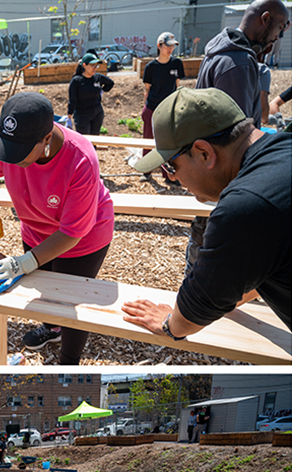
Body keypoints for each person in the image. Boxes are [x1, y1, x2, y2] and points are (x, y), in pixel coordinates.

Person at [123, 88, 290, 336]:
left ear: (204, 153)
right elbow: (268, 258)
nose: (173, 178)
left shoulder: (244, 208)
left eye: (171, 165)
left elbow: (191, 317)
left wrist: (170, 323)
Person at [0, 92, 114, 363]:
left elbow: (73, 231)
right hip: (35, 230)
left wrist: (25, 262)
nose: (11, 161)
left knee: (70, 302)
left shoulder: (81, 159)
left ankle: (68, 362)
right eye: (7, 152)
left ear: (46, 139)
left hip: (83, 238)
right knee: (44, 290)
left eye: (19, 155)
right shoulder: (10, 135)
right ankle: (51, 329)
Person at [186, 0, 289, 277]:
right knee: (215, 254)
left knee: (204, 240)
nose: (279, 37)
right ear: (265, 19)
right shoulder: (238, 63)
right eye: (279, 28)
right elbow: (238, 135)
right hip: (225, 174)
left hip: (210, 167)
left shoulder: (222, 52)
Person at [139, 33, 185, 158]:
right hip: (153, 107)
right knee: (148, 139)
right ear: (159, 46)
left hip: (169, 108)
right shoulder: (151, 67)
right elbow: (147, 90)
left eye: (173, 46)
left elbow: (176, 86)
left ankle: (169, 174)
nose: (170, 49)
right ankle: (147, 172)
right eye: (167, 46)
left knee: (169, 141)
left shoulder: (177, 63)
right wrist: (145, 109)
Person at [67, 52, 114, 136]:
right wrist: (69, 114)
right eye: (93, 65)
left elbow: (110, 83)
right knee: (85, 140)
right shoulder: (77, 81)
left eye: (96, 66)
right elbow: (73, 99)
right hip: (82, 115)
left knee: (95, 139)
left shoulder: (98, 78)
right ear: (84, 65)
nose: (95, 68)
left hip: (97, 113)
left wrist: (102, 91)